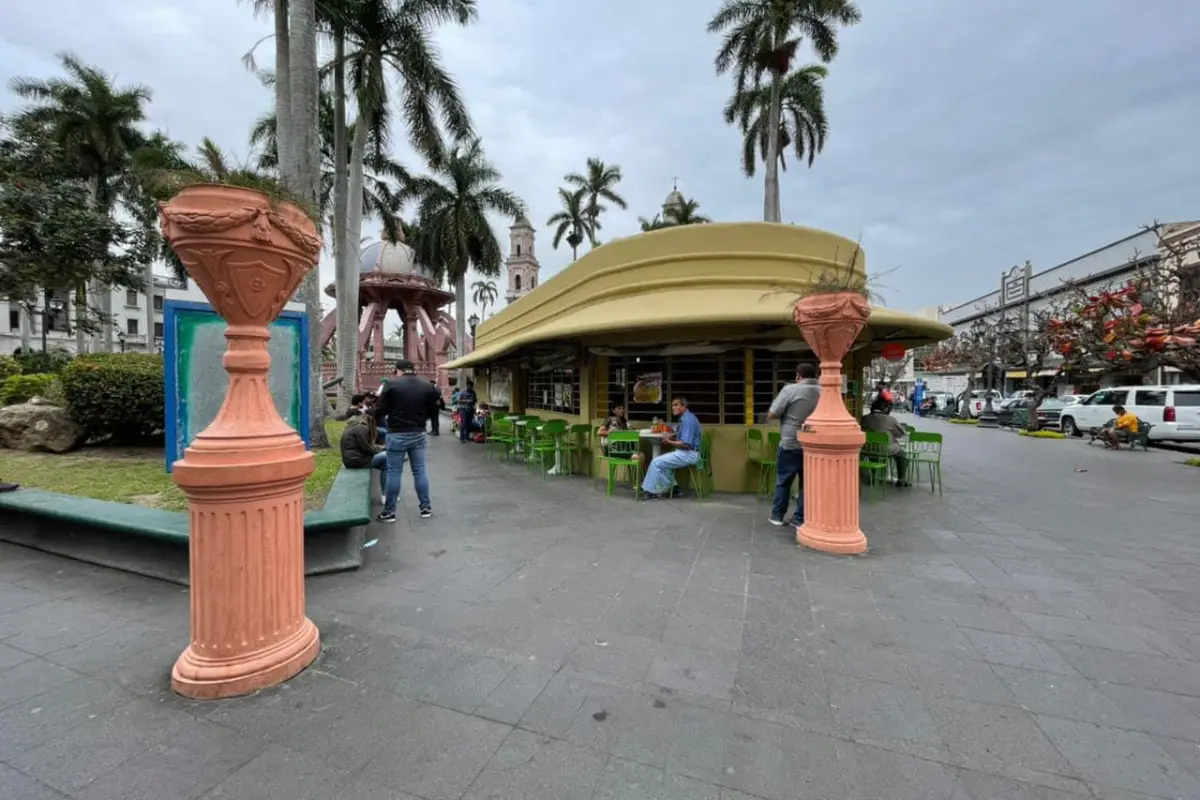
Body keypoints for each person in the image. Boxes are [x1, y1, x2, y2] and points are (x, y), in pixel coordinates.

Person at [373, 359, 440, 522]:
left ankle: (389, 512)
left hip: (396, 433)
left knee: (394, 472)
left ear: (398, 370)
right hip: (418, 433)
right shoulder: (427, 386)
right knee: (420, 471)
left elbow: (381, 410)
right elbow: (434, 411)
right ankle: (425, 508)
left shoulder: (392, 385)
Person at [766, 363, 820, 526]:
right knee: (807, 483)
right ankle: (799, 518)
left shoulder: (791, 390)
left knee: (783, 481)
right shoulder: (824, 392)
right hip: (814, 445)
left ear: (798, 376)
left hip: (791, 443)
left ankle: (777, 516)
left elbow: (772, 413)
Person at [641, 397, 702, 500]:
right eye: (672, 405)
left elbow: (686, 444)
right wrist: (672, 437)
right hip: (688, 453)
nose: (673, 407)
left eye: (676, 405)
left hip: (689, 454)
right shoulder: (687, 417)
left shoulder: (688, 420)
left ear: (683, 406)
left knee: (656, 462)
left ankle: (650, 491)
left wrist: (669, 441)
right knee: (663, 465)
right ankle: (674, 488)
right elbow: (683, 437)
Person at [860, 396, 910, 486]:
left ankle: (873, 477)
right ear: (886, 408)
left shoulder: (864, 418)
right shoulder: (890, 419)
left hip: (867, 448)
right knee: (902, 455)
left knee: (873, 454)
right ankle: (901, 480)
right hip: (884, 448)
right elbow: (900, 433)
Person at [339, 413, 389, 500]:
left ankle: (385, 494)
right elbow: (366, 447)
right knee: (386, 458)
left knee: (385, 464)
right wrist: (380, 449)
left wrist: (378, 449)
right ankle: (385, 495)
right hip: (356, 460)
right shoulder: (363, 428)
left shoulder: (355, 427)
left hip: (351, 459)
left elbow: (364, 447)